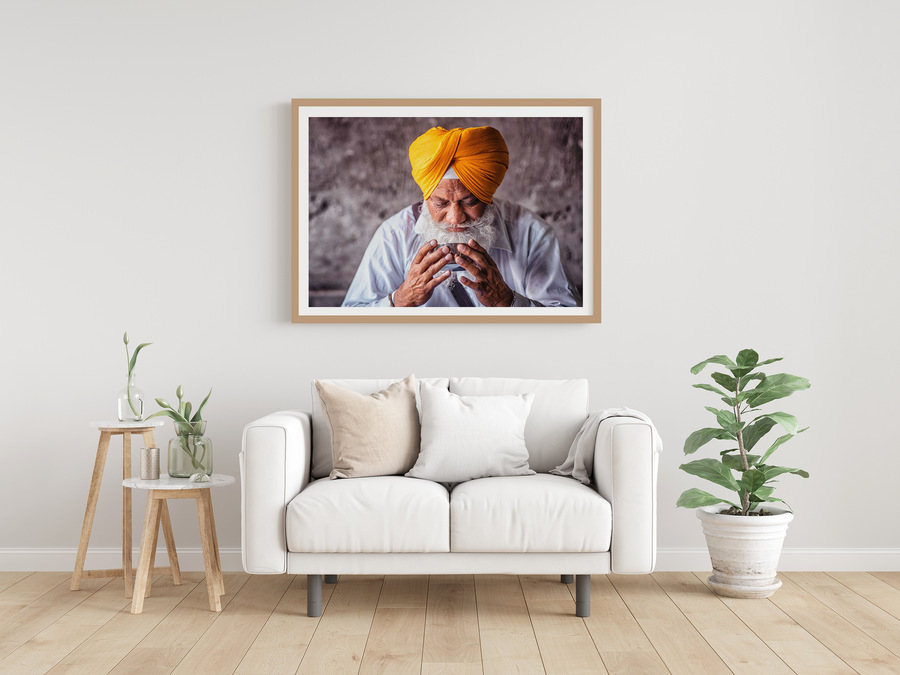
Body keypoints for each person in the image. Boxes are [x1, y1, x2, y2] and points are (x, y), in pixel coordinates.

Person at [341, 125, 582, 308]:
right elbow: (348, 324)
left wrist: (507, 302)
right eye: (441, 203)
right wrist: (399, 300)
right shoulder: (394, 235)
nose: (455, 218)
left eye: (470, 201)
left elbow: (565, 325)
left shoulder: (533, 234)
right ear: (426, 197)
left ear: (487, 195)